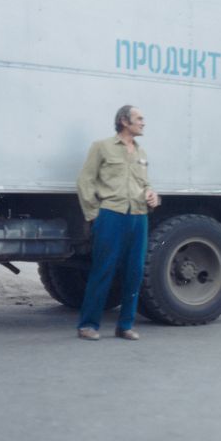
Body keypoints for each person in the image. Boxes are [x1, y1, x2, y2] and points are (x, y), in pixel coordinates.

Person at [74, 105, 161, 340]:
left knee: (134, 271)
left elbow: (145, 185)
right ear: (124, 121)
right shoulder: (102, 147)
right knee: (104, 269)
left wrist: (153, 196)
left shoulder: (141, 153)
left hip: (139, 216)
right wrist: (94, 214)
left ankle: (125, 325)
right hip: (111, 214)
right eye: (139, 118)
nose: (143, 122)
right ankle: (88, 325)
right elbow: (85, 181)